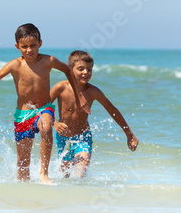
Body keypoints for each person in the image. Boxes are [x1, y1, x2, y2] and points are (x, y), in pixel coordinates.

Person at [0, 23, 90, 185]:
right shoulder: (15, 65)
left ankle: (43, 174)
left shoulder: (48, 61)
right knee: (22, 164)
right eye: (24, 46)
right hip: (23, 114)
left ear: (40, 43)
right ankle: (23, 188)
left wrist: (78, 94)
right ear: (17, 46)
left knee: (46, 126)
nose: (29, 50)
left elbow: (68, 70)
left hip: (43, 108)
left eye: (33, 45)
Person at [50, 50, 139, 178]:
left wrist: (129, 134)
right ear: (70, 70)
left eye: (89, 69)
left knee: (79, 174)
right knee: (65, 176)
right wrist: (55, 124)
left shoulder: (93, 91)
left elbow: (112, 110)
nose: (86, 72)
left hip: (83, 137)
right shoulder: (60, 88)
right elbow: (43, 107)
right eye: (81, 69)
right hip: (63, 139)